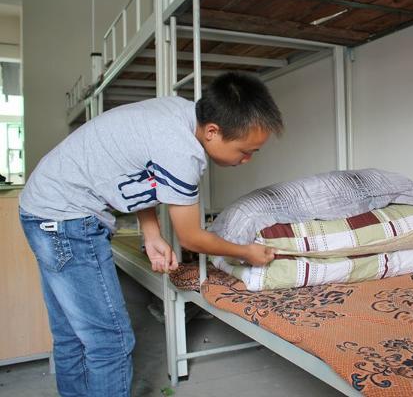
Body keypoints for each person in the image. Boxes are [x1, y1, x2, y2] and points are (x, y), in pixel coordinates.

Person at [18, 72, 283, 396]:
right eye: (245, 150)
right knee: (110, 342)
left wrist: (152, 232)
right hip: (67, 220)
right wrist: (246, 251)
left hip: (41, 207)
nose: (247, 159)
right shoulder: (183, 153)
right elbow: (191, 238)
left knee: (72, 334)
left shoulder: (179, 111)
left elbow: (140, 170)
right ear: (213, 131)